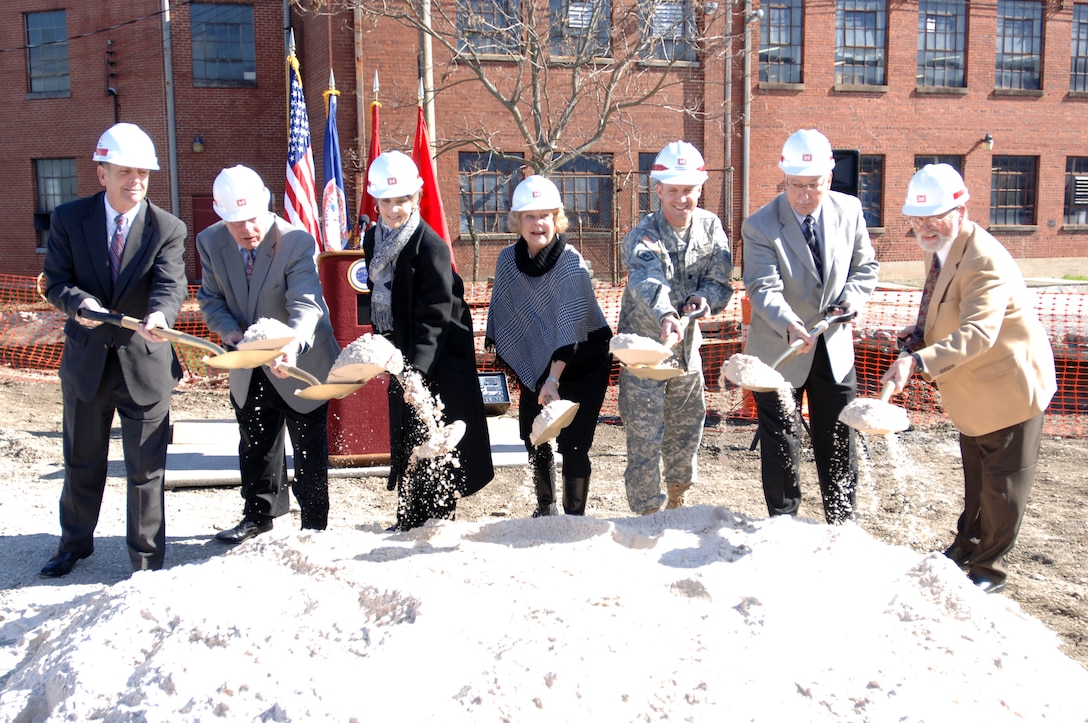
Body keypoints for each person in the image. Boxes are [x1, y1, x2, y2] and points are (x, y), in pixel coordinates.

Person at [882, 164, 1056, 594]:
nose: (923, 227)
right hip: (971, 390)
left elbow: (978, 333)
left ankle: (989, 571)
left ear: (961, 208)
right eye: (916, 219)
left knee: (1003, 486)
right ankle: (967, 546)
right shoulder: (938, 244)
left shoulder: (985, 260)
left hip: (1008, 389)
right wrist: (918, 334)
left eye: (933, 217)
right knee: (977, 481)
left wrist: (917, 362)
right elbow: (938, 304)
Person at [40, 123, 188, 577]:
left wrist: (161, 316)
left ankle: (145, 559)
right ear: (101, 172)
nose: (136, 180)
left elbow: (170, 285)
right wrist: (76, 303)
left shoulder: (168, 228)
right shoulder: (69, 219)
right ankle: (74, 544)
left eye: (143, 172)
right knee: (82, 460)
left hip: (144, 365)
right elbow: (56, 280)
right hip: (87, 363)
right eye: (125, 171)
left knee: (146, 471)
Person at [741, 128, 879, 525]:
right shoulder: (760, 225)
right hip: (782, 347)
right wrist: (790, 321)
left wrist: (852, 299)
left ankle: (841, 519)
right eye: (795, 185)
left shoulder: (849, 210)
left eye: (813, 185)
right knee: (781, 438)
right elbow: (762, 287)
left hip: (834, 346)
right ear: (784, 179)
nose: (803, 195)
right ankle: (784, 521)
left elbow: (865, 267)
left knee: (838, 435)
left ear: (829, 179)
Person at [196, 165, 340, 543]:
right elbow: (210, 299)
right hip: (247, 359)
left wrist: (289, 346)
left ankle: (314, 525)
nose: (247, 230)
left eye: (253, 219)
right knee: (255, 440)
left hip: (299, 360)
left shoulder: (295, 241)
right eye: (236, 222)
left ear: (267, 205)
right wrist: (230, 333)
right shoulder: (210, 242)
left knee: (308, 446)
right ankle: (258, 514)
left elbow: (306, 304)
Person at [361, 150, 494, 530]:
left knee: (434, 433)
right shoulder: (374, 240)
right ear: (376, 200)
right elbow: (380, 296)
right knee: (407, 432)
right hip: (400, 348)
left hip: (438, 353)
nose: (394, 209)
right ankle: (409, 517)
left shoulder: (429, 245)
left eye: (403, 200)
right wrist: (384, 351)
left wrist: (416, 370)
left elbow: (435, 315)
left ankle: (435, 517)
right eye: (386, 200)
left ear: (416, 197)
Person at [617, 141, 734, 515]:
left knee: (686, 433)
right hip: (645, 357)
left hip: (687, 355)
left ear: (700, 188)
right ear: (659, 190)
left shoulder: (711, 226)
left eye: (689, 190)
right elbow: (647, 280)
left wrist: (705, 298)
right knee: (644, 438)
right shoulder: (644, 234)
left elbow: (720, 280)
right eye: (674, 191)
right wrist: (668, 314)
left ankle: (678, 499)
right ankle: (647, 513)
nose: (682, 199)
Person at [486, 175, 613, 516]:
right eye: (529, 215)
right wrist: (539, 377)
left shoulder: (570, 262)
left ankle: (573, 518)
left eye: (545, 215)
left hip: (582, 362)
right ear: (518, 221)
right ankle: (545, 509)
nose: (537, 223)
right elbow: (505, 314)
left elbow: (569, 330)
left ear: (557, 218)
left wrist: (553, 380)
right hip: (538, 365)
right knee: (535, 437)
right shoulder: (507, 261)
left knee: (574, 445)